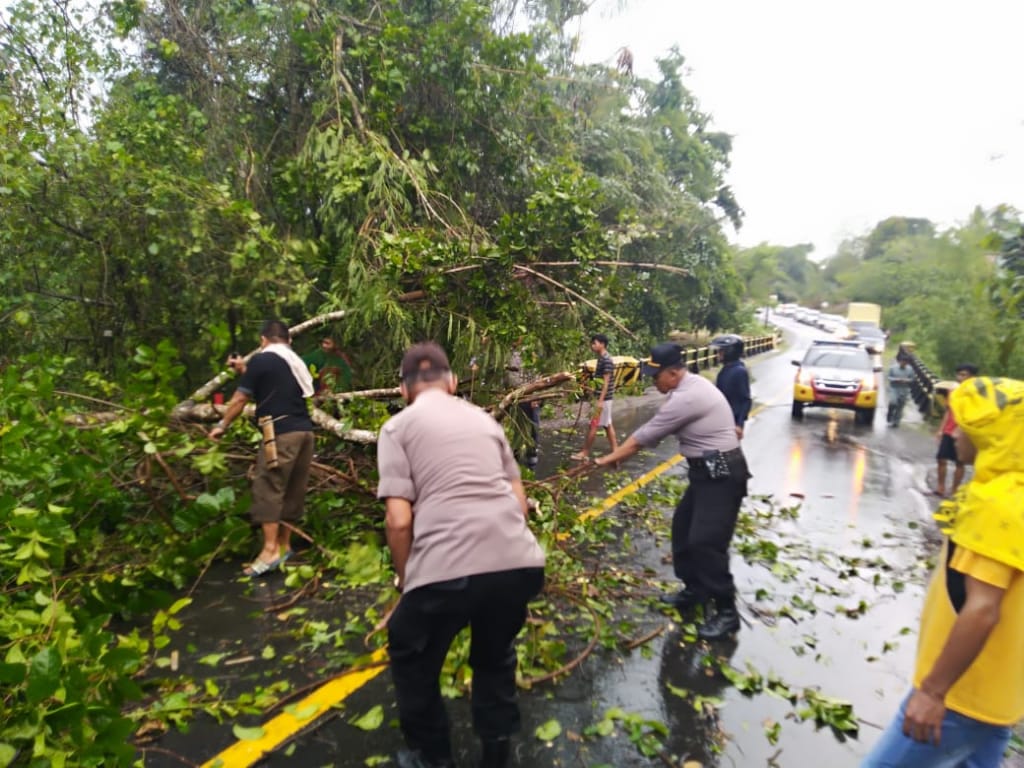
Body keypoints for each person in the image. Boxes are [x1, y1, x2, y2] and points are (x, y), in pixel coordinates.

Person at [376, 342, 546, 768]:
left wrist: (405, 579)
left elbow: (398, 521)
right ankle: (497, 753)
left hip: (445, 572)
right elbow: (520, 503)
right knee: (494, 656)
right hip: (519, 564)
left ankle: (432, 757)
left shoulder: (397, 428)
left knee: (410, 650)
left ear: (403, 389)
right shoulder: (486, 422)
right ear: (453, 382)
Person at [862, 376, 1024, 768]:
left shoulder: (1000, 505)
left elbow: (983, 610)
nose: (952, 434)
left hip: (959, 697)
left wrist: (933, 692)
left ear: (994, 436)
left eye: (962, 424)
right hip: (996, 697)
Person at [590, 342, 751, 640]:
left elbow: (643, 437)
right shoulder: (687, 388)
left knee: (706, 541)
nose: (654, 381)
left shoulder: (687, 398)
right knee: (683, 528)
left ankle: (727, 612)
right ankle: (695, 590)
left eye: (656, 376)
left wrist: (607, 459)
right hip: (707, 471)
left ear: (674, 373)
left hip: (723, 473)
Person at [209, 319, 315, 576]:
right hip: (305, 432)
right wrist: (244, 369)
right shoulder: (293, 361)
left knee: (268, 486)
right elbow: (271, 380)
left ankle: (269, 551)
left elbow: (241, 397)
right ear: (287, 340)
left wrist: (222, 424)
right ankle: (284, 545)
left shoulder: (262, 359)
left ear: (263, 340)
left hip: (281, 433)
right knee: (293, 489)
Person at [570, 333, 618, 461]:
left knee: (594, 424)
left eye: (595, 343)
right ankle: (616, 452)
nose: (592, 346)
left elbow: (606, 382)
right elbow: (600, 381)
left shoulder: (606, 359)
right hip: (604, 398)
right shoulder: (601, 358)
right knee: (607, 425)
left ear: (602, 344)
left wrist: (600, 401)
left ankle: (585, 452)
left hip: (604, 400)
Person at [935, 363, 979, 497]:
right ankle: (940, 487)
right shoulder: (953, 391)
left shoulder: (975, 394)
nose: (960, 377)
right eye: (959, 374)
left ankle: (954, 490)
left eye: (964, 374)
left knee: (959, 462)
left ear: (972, 377)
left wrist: (960, 430)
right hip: (949, 430)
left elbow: (973, 414)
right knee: (941, 458)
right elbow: (948, 411)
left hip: (965, 433)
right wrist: (940, 429)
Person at [709, 334, 751, 439]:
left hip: (731, 423)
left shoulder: (739, 371)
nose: (719, 354)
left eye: (721, 351)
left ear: (730, 351)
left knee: (724, 453)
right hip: (722, 420)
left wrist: (739, 425)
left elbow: (746, 400)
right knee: (716, 453)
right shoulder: (727, 369)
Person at [505, 342, 540, 469]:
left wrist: (535, 396)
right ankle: (516, 454)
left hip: (528, 394)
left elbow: (536, 375)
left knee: (532, 424)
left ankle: (532, 452)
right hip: (513, 395)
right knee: (516, 425)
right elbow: (505, 373)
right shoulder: (507, 351)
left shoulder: (528, 351)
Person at [886, 354, 915, 428]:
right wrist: (896, 379)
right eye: (903, 362)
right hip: (894, 388)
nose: (904, 364)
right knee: (893, 402)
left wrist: (907, 380)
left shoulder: (910, 369)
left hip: (904, 389)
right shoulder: (893, 368)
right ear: (900, 361)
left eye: (906, 363)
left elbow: (912, 379)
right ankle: (890, 414)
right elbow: (888, 377)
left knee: (900, 406)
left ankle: (896, 422)